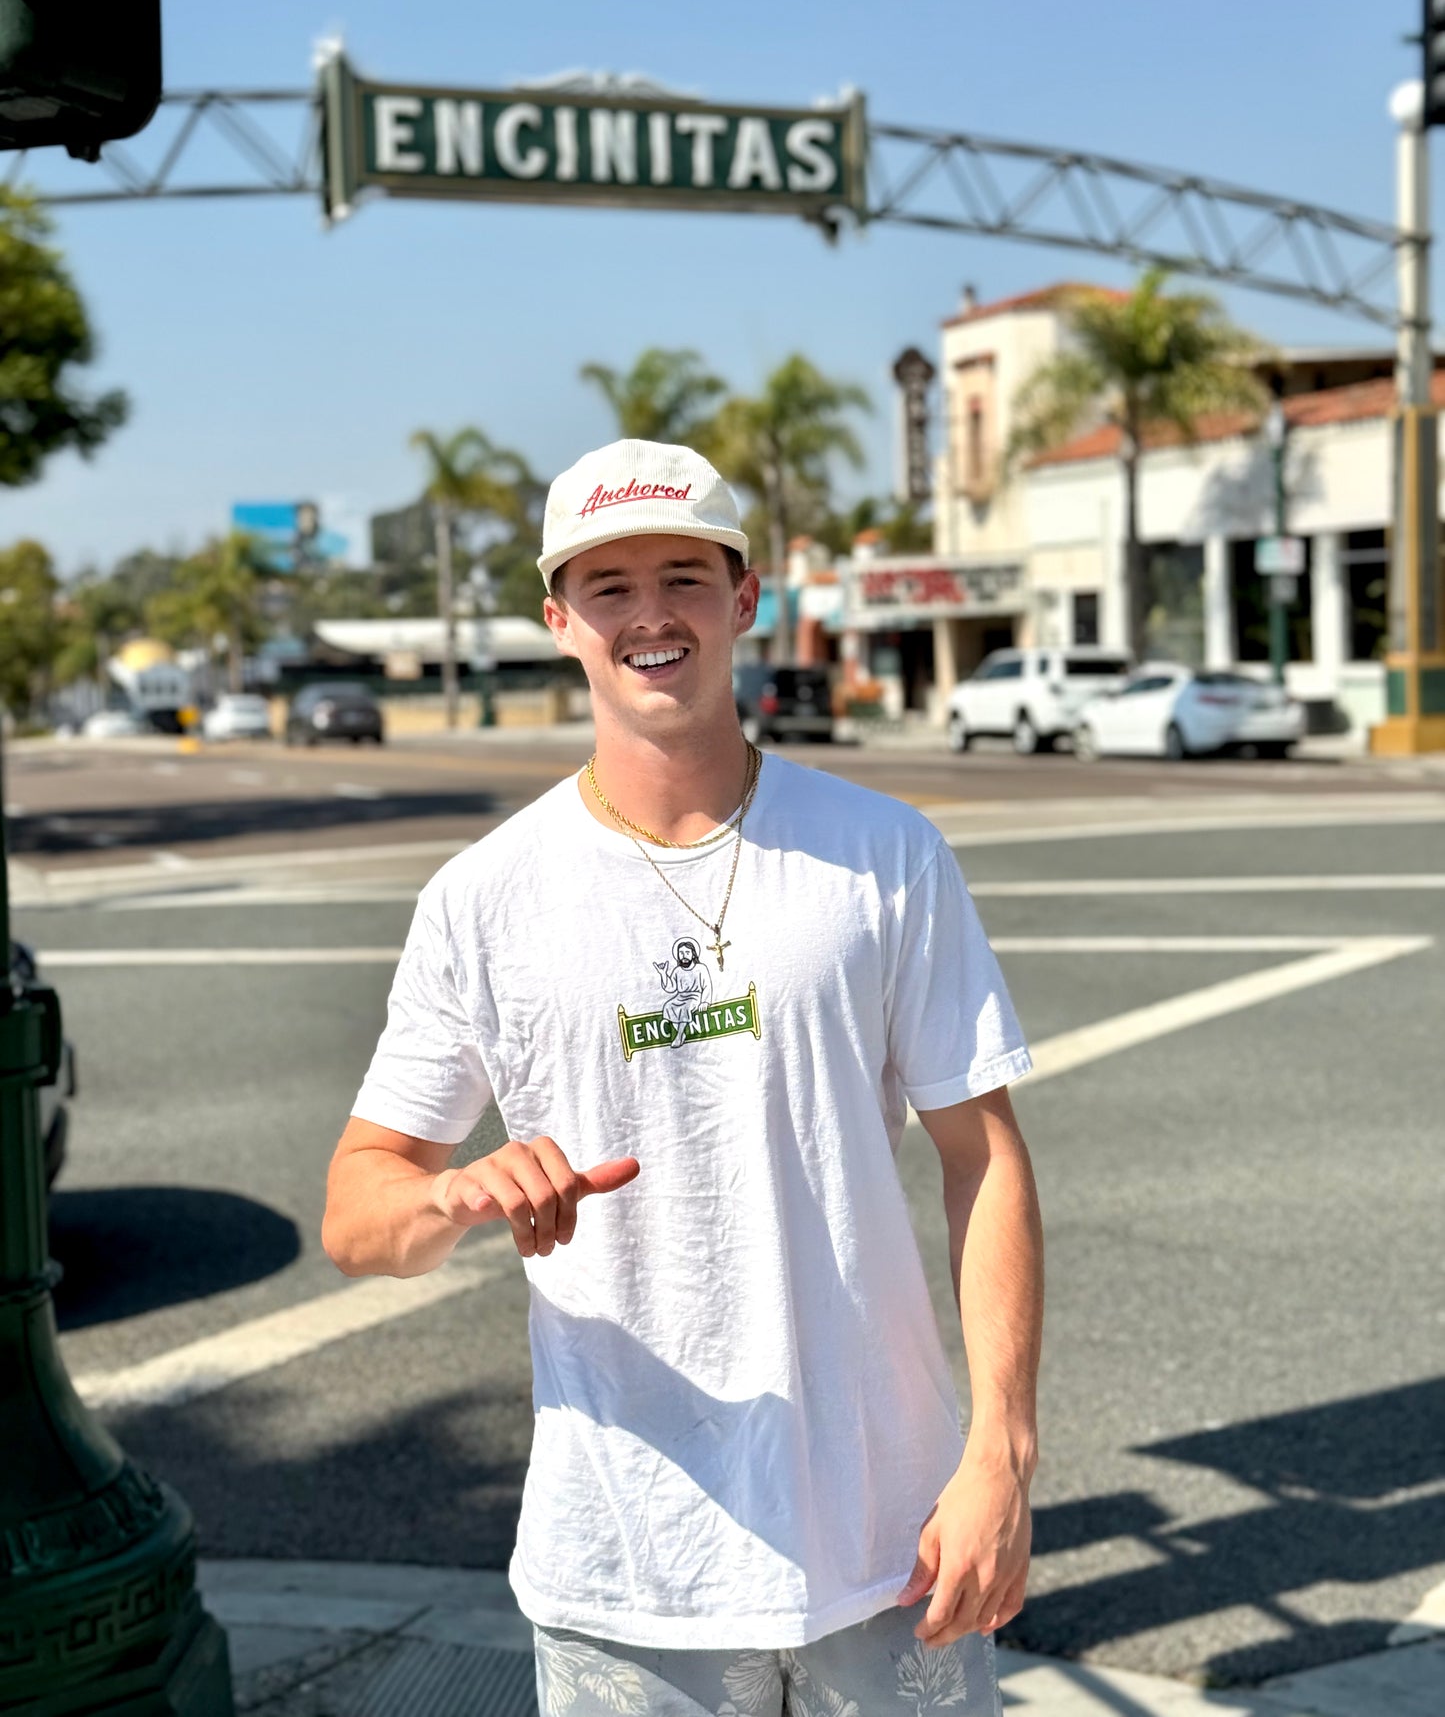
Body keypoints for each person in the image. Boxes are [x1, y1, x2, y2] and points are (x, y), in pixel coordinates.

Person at [323, 439, 1044, 1717]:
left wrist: (1000, 1450)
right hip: (627, 1571)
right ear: (558, 620)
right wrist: (456, 1196)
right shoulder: (484, 898)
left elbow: (979, 1154)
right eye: (607, 586)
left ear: (742, 598)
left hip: (891, 1547)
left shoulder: (882, 853)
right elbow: (359, 1209)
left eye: (681, 576)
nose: (648, 614)